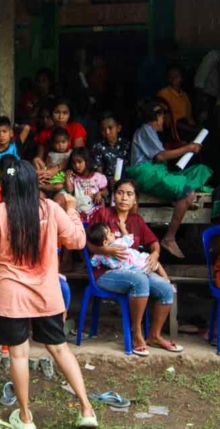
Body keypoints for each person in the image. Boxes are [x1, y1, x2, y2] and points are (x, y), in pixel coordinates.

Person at [0, 159, 98, 429]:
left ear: (4, 186)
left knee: (19, 356)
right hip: (47, 294)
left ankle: (25, 418)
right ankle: (86, 409)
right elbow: (78, 241)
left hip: (12, 296)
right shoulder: (50, 208)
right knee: (60, 349)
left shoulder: (0, 212)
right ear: (34, 184)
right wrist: (71, 211)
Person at [88, 179, 183, 356]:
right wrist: (105, 249)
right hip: (105, 273)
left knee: (165, 288)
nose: (124, 198)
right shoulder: (102, 214)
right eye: (120, 193)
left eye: (129, 194)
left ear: (135, 200)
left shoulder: (136, 220)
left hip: (133, 270)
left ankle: (154, 335)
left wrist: (155, 255)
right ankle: (137, 333)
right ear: (114, 195)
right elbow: (87, 243)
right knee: (139, 280)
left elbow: (154, 243)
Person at [126, 100, 212, 258]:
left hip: (158, 173)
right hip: (146, 174)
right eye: (162, 116)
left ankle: (176, 194)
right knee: (188, 193)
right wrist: (189, 148)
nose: (164, 121)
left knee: (200, 170)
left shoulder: (153, 134)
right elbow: (161, 156)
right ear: (158, 116)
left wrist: (186, 148)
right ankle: (169, 238)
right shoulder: (145, 129)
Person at [86, 223, 170, 280]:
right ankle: (167, 280)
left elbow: (93, 262)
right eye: (111, 234)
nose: (113, 234)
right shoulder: (118, 243)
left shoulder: (99, 255)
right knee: (157, 264)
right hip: (138, 262)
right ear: (105, 242)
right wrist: (123, 228)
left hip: (126, 271)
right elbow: (129, 239)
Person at [64, 147, 107, 222]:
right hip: (79, 212)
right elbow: (69, 189)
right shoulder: (74, 177)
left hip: (95, 212)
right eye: (74, 163)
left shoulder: (97, 177)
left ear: (87, 161)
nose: (76, 165)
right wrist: (67, 178)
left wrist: (99, 193)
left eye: (79, 162)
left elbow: (106, 191)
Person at [91, 113, 130, 193]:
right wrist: (107, 181)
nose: (107, 132)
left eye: (110, 128)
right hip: (107, 185)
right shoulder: (98, 146)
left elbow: (133, 167)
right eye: (103, 129)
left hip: (127, 183)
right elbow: (98, 171)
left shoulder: (127, 145)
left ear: (118, 128)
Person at [157, 65, 197, 141]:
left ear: (182, 79)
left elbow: (188, 116)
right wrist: (188, 128)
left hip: (185, 125)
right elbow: (166, 118)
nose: (173, 78)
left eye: (176, 76)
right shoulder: (163, 93)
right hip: (172, 129)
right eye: (170, 76)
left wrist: (193, 127)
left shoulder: (184, 95)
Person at [39, 127, 72, 197]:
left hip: (61, 179)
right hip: (51, 179)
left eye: (63, 142)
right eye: (57, 143)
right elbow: (47, 167)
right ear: (52, 143)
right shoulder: (51, 154)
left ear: (68, 141)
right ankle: (41, 186)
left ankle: (40, 186)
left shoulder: (70, 154)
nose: (60, 145)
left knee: (59, 186)